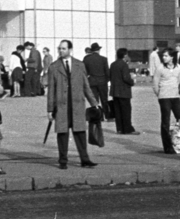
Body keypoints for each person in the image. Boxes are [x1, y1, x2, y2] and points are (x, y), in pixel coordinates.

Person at [45, 40, 99, 169]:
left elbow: (86, 86)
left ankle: (84, 159)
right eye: (60, 48)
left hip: (77, 105)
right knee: (62, 134)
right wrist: (50, 109)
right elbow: (51, 90)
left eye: (64, 48)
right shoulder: (54, 67)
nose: (61, 51)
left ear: (70, 49)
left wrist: (94, 103)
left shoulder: (79, 65)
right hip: (62, 106)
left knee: (80, 133)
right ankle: (63, 161)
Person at [151, 48, 180, 154]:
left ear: (172, 57)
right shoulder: (160, 68)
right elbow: (155, 83)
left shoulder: (179, 67)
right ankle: (167, 147)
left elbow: (178, 81)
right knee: (166, 121)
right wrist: (159, 94)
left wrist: (177, 92)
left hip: (175, 96)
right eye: (163, 56)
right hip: (164, 97)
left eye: (166, 56)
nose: (164, 58)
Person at [108, 47, 137, 134]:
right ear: (125, 55)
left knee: (117, 111)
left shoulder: (113, 64)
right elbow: (126, 78)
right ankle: (127, 129)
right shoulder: (124, 65)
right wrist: (132, 81)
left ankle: (119, 129)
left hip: (115, 91)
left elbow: (110, 76)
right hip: (124, 91)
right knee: (126, 110)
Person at [83, 43, 110, 128]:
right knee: (104, 99)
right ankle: (107, 116)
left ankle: (99, 116)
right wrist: (106, 80)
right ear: (98, 50)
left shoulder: (86, 59)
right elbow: (107, 72)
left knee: (95, 100)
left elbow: (84, 72)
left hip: (92, 81)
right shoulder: (104, 59)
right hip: (102, 81)